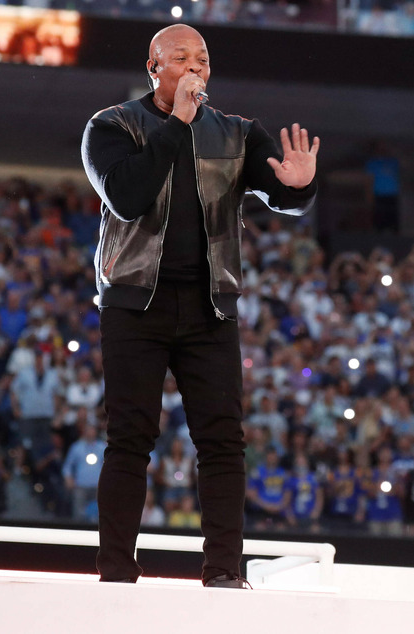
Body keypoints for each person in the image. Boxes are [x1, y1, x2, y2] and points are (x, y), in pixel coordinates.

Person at [81, 24, 319, 588]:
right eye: (181, 58)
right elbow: (129, 195)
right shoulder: (111, 127)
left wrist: (300, 187)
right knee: (130, 436)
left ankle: (222, 573)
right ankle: (116, 571)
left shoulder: (237, 134)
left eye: (203, 59)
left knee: (222, 440)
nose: (195, 68)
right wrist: (178, 124)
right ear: (153, 67)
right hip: (136, 304)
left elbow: (280, 190)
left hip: (210, 306)